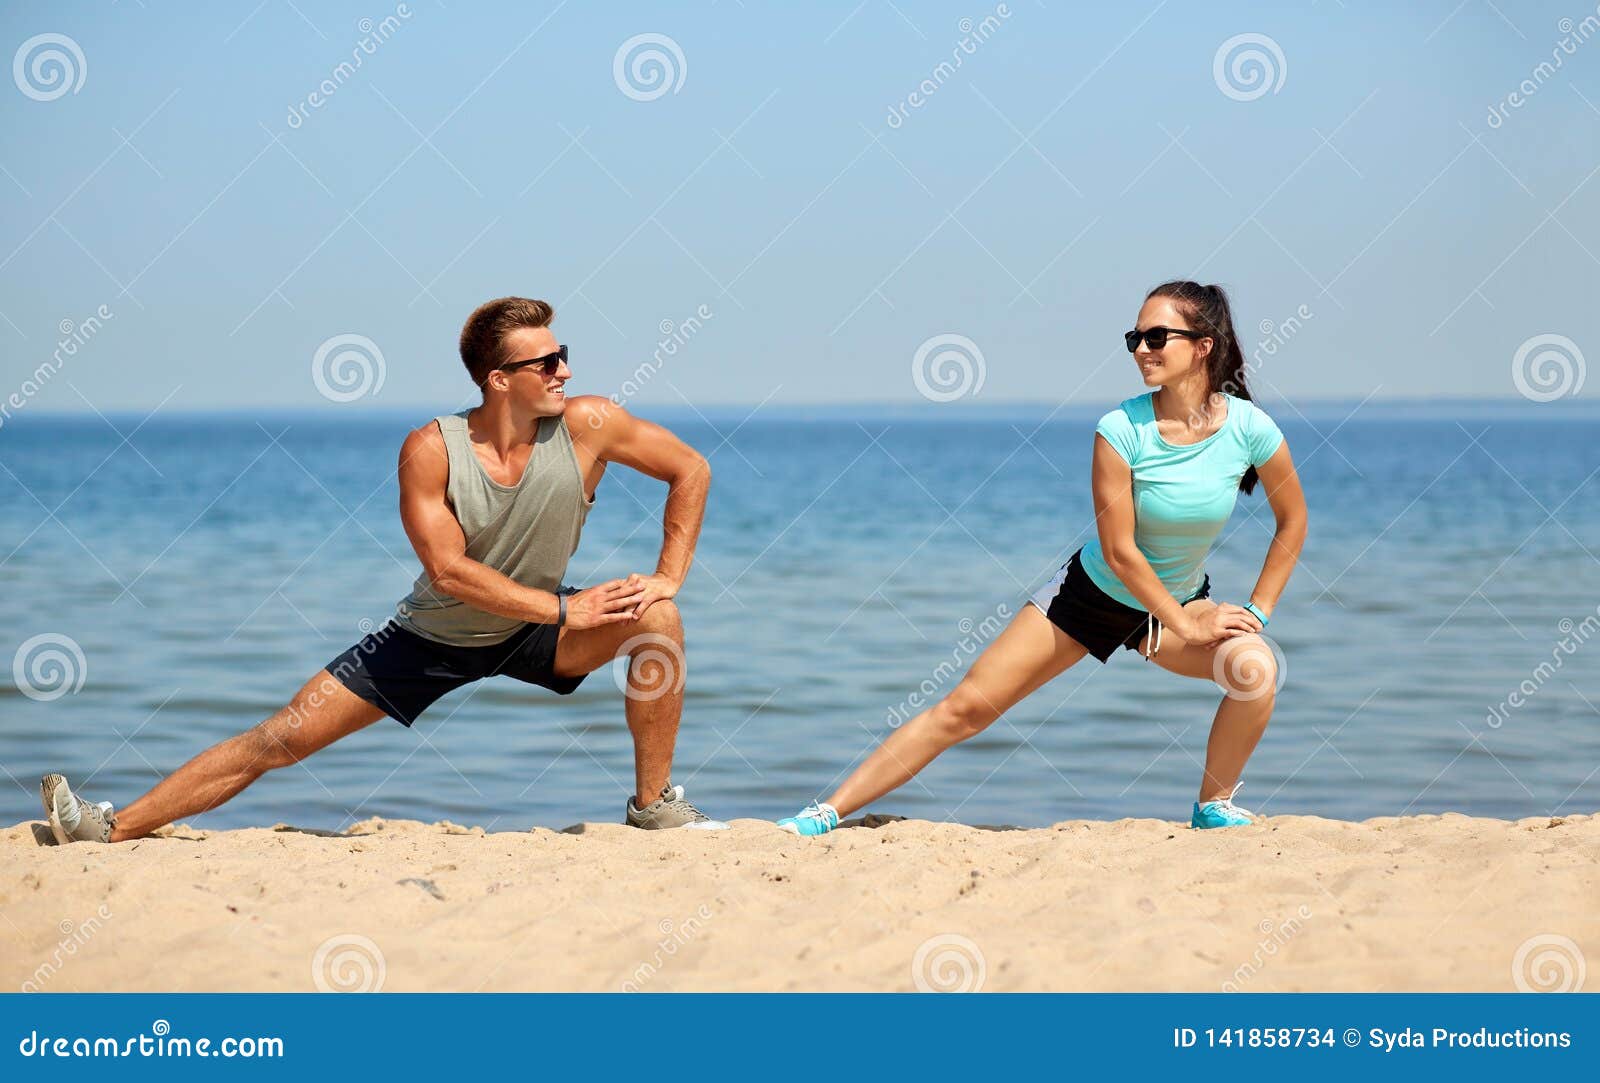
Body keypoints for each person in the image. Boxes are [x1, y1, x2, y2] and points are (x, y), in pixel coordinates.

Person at [42, 297, 727, 843]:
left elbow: (689, 468)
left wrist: (668, 575)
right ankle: (109, 826)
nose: (565, 372)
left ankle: (653, 806)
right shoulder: (431, 449)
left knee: (658, 618)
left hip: (538, 625)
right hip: (432, 637)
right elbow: (451, 571)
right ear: (498, 380)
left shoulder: (590, 424)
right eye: (545, 363)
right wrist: (560, 610)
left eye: (563, 356)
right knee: (281, 737)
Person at [777, 280, 1307, 835]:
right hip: (1090, 595)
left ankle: (1212, 807)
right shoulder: (1121, 429)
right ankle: (823, 815)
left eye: (1156, 337)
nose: (1141, 350)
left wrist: (1258, 610)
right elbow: (1119, 552)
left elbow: (1293, 520)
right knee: (966, 710)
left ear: (1203, 346)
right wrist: (1185, 626)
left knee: (1255, 668)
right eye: (1134, 338)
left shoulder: (1249, 429)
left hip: (1173, 607)